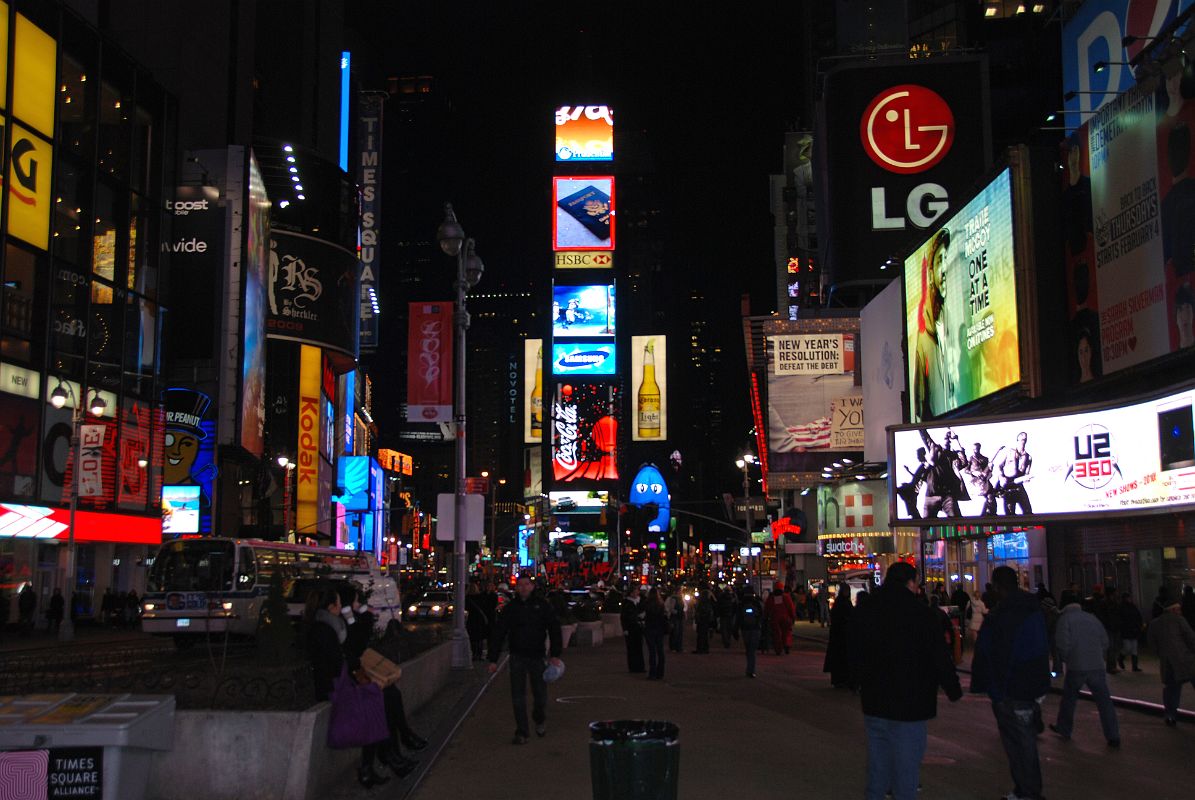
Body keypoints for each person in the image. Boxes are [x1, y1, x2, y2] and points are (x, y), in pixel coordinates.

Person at [849, 562, 962, 800]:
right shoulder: (922, 614)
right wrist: (953, 688)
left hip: (875, 700)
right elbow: (939, 655)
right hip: (911, 702)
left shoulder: (868, 610)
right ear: (911, 583)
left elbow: (854, 650)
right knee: (906, 768)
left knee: (878, 764)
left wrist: (859, 680)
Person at [970, 566, 1051, 800]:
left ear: (997, 586)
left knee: (1018, 743)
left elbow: (991, 653)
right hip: (1033, 683)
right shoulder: (1033, 609)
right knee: (1023, 740)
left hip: (1009, 687)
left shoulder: (1002, 616)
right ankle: (1025, 789)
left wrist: (988, 684)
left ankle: (1028, 791)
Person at [305, 586, 398, 787]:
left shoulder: (333, 625)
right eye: (340, 604)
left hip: (341, 682)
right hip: (334, 687)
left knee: (380, 697)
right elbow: (341, 661)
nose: (342, 606)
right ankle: (377, 762)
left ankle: (379, 761)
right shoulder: (324, 630)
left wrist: (355, 615)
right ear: (331, 607)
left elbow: (356, 644)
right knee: (375, 702)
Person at [337, 585, 423, 774]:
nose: (358, 604)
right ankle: (390, 755)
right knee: (382, 705)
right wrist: (362, 613)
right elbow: (356, 645)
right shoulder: (339, 623)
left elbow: (359, 642)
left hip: (353, 677)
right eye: (355, 601)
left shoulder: (345, 620)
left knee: (391, 695)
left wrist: (358, 613)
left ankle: (397, 747)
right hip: (345, 681)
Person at [488, 574, 564, 744]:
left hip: (537, 655)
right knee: (517, 695)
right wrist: (493, 659)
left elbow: (554, 628)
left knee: (540, 694)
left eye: (526, 584)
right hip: (517, 656)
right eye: (520, 584)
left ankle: (539, 718)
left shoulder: (542, 605)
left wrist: (555, 655)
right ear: (516, 588)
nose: (523, 587)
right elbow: (499, 632)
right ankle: (522, 731)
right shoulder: (511, 608)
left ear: (532, 586)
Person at [1049, 595, 1120, 747]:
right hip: (1097, 666)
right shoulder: (1092, 619)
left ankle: (1064, 728)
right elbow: (1105, 641)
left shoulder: (1065, 620)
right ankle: (1113, 735)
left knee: (1069, 700)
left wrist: (1067, 658)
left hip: (1077, 666)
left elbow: (1062, 644)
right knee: (1104, 702)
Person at [911, 228, 953, 419]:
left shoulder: (950, 320)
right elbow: (919, 406)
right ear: (930, 274)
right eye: (939, 261)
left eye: (946, 258)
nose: (945, 268)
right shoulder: (923, 336)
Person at [1147, 598, 1195, 727]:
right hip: (1187, 660)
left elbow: (1152, 644)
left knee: (1172, 690)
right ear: (1173, 610)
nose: (1180, 611)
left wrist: (1161, 655)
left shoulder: (1154, 623)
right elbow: (1191, 638)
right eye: (1178, 609)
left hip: (1168, 662)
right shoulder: (1179, 620)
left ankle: (1170, 715)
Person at [918, 428, 964, 518]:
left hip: (947, 495)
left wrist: (957, 441)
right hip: (932, 495)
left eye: (949, 439)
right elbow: (925, 436)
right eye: (946, 437)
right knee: (925, 526)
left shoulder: (953, 455)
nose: (948, 439)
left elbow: (963, 463)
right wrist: (920, 425)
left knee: (957, 520)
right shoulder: (934, 448)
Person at [992, 432, 1034, 515]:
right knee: (1010, 513)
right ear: (1017, 440)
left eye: (1024, 439)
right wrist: (1001, 477)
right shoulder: (1009, 452)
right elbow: (998, 466)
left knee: (1028, 511)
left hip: (1018, 486)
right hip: (1007, 486)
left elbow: (1027, 474)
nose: (1023, 441)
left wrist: (1027, 478)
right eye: (1021, 439)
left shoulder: (1028, 457)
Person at [824, 583, 854, 688]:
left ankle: (838, 679)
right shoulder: (845, 603)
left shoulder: (838, 602)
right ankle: (843, 679)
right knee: (843, 657)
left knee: (838, 657)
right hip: (843, 635)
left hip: (838, 635)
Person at [734, 583, 765, 678]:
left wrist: (736, 629)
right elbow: (762, 615)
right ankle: (751, 670)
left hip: (745, 629)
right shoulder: (757, 602)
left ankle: (749, 669)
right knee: (752, 650)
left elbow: (738, 617)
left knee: (748, 649)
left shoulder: (741, 603)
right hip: (755, 628)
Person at [620, 583, 646, 673]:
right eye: (635, 591)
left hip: (638, 627)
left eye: (637, 591)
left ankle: (640, 666)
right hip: (631, 628)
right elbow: (624, 617)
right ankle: (633, 667)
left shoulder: (640, 601)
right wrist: (625, 629)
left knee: (639, 647)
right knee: (631, 648)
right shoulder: (627, 603)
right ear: (631, 593)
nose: (637, 593)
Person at [643, 588, 669, 680]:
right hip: (659, 629)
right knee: (660, 651)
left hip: (650, 628)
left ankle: (652, 673)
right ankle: (660, 672)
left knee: (652, 652)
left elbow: (645, 616)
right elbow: (664, 616)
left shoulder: (647, 604)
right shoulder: (661, 604)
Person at [896, 447, 928, 519]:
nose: (917, 457)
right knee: (912, 507)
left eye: (918, 455)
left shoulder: (925, 466)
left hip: (913, 488)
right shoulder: (924, 465)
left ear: (922, 454)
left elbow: (920, 478)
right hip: (913, 487)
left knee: (912, 507)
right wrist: (908, 471)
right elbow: (917, 477)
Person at [766, 582, 796, 655]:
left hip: (775, 618)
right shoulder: (786, 597)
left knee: (777, 634)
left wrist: (766, 617)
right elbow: (791, 608)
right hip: (786, 618)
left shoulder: (771, 597)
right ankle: (786, 645)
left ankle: (778, 649)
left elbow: (767, 608)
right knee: (787, 632)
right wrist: (793, 617)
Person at [1118, 593, 1144, 672]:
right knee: (1128, 647)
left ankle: (1134, 666)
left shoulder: (1132, 607)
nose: (1129, 599)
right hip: (1127, 629)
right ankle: (1121, 658)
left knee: (1134, 648)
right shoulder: (1123, 607)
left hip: (1132, 629)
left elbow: (1138, 616)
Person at [465, 583, 490, 661]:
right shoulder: (481, 597)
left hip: (472, 619)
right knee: (480, 638)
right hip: (480, 620)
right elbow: (485, 607)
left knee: (472, 638)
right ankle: (480, 654)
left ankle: (474, 654)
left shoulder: (467, 598)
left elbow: (466, 608)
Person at [694, 584, 715, 653]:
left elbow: (700, 611)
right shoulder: (709, 600)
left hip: (703, 619)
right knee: (704, 634)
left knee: (702, 634)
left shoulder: (703, 602)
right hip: (705, 619)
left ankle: (701, 648)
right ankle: (704, 648)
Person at [663, 588, 685, 653]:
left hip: (679, 617)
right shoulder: (673, 598)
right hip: (675, 617)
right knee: (675, 632)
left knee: (679, 632)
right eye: (680, 591)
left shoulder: (680, 598)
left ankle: (678, 647)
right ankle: (674, 647)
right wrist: (677, 612)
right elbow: (671, 608)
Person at [716, 584, 737, 648]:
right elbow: (736, 606)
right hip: (730, 614)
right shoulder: (733, 596)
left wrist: (718, 613)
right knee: (729, 628)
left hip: (723, 614)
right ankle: (728, 640)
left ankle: (725, 641)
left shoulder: (721, 596)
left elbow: (718, 605)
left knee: (724, 628)